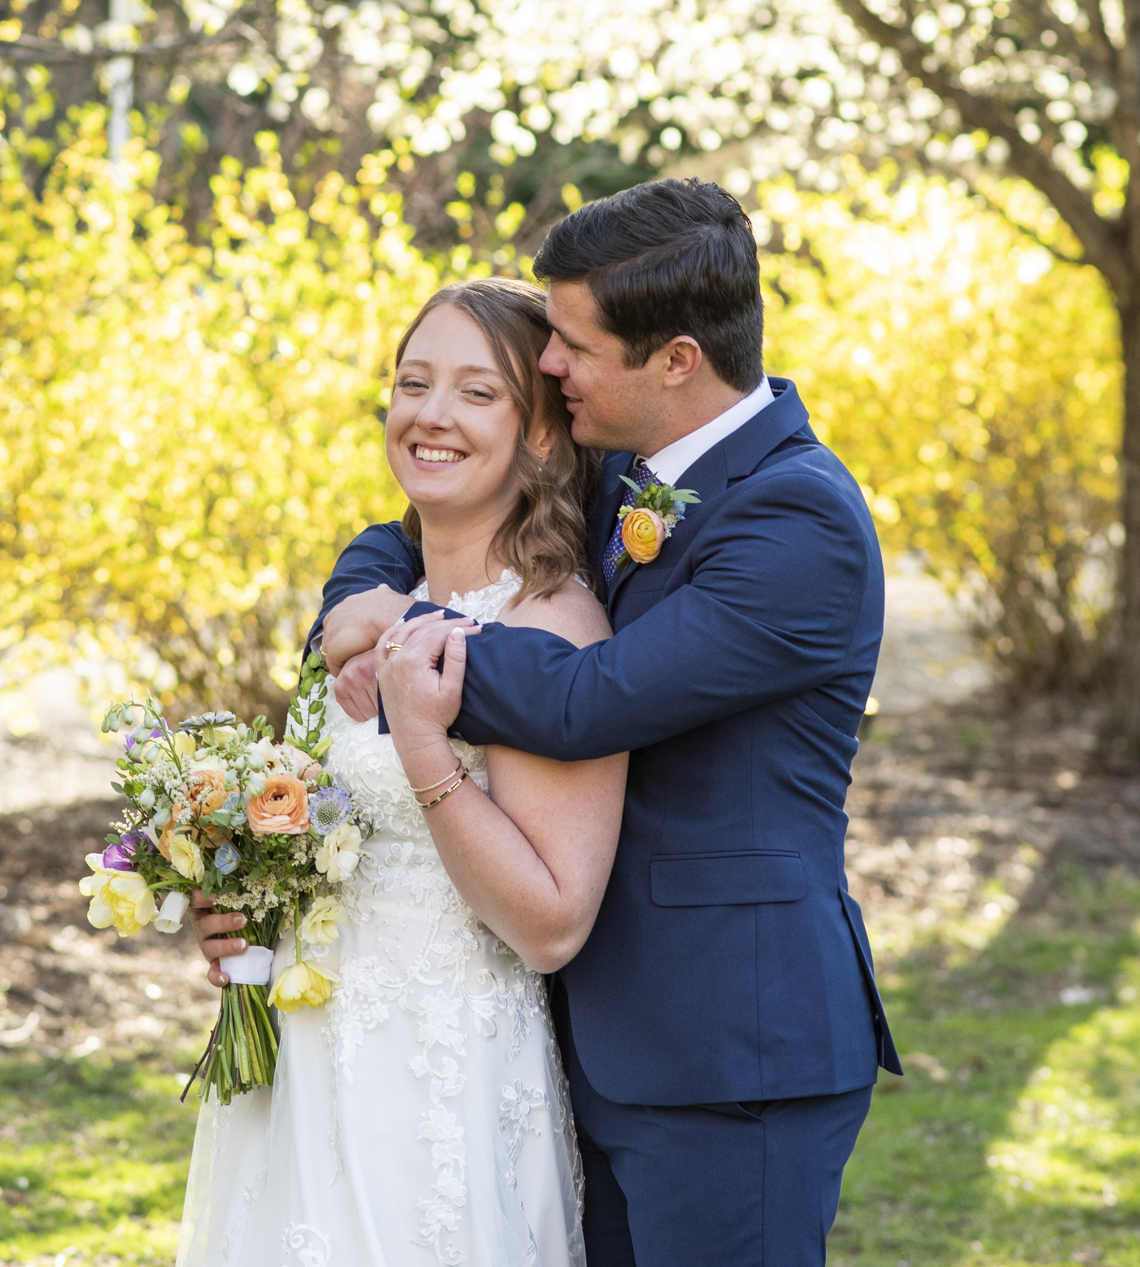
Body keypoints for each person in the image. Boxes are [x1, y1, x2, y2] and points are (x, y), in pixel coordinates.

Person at [224, 178, 903, 1266]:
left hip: (733, 1050)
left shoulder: (796, 517)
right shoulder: (631, 469)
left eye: (574, 346)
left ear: (675, 359)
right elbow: (426, 529)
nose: (550, 363)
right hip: (580, 1040)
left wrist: (399, 631)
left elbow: (593, 699)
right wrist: (351, 604)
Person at [177, 277, 628, 1266]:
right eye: (412, 382)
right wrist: (237, 899)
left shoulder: (552, 628)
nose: (429, 413)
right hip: (297, 1071)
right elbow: (327, 833)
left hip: (441, 1080)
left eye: (477, 393)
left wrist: (426, 745)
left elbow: (551, 923)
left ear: (543, 433)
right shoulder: (364, 609)